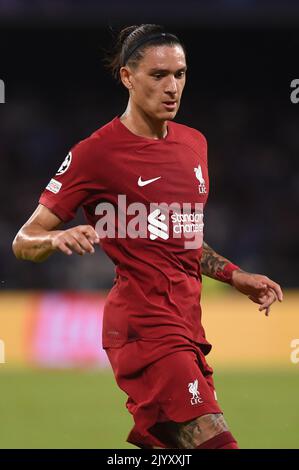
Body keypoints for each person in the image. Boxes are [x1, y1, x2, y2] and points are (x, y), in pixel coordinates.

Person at [12, 24, 283, 449]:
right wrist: (54, 239)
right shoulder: (95, 154)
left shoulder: (195, 145)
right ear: (127, 77)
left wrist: (235, 276)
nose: (172, 86)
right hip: (143, 327)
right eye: (158, 75)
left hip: (188, 324)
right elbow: (23, 240)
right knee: (216, 442)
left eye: (180, 74)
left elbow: (184, 239)